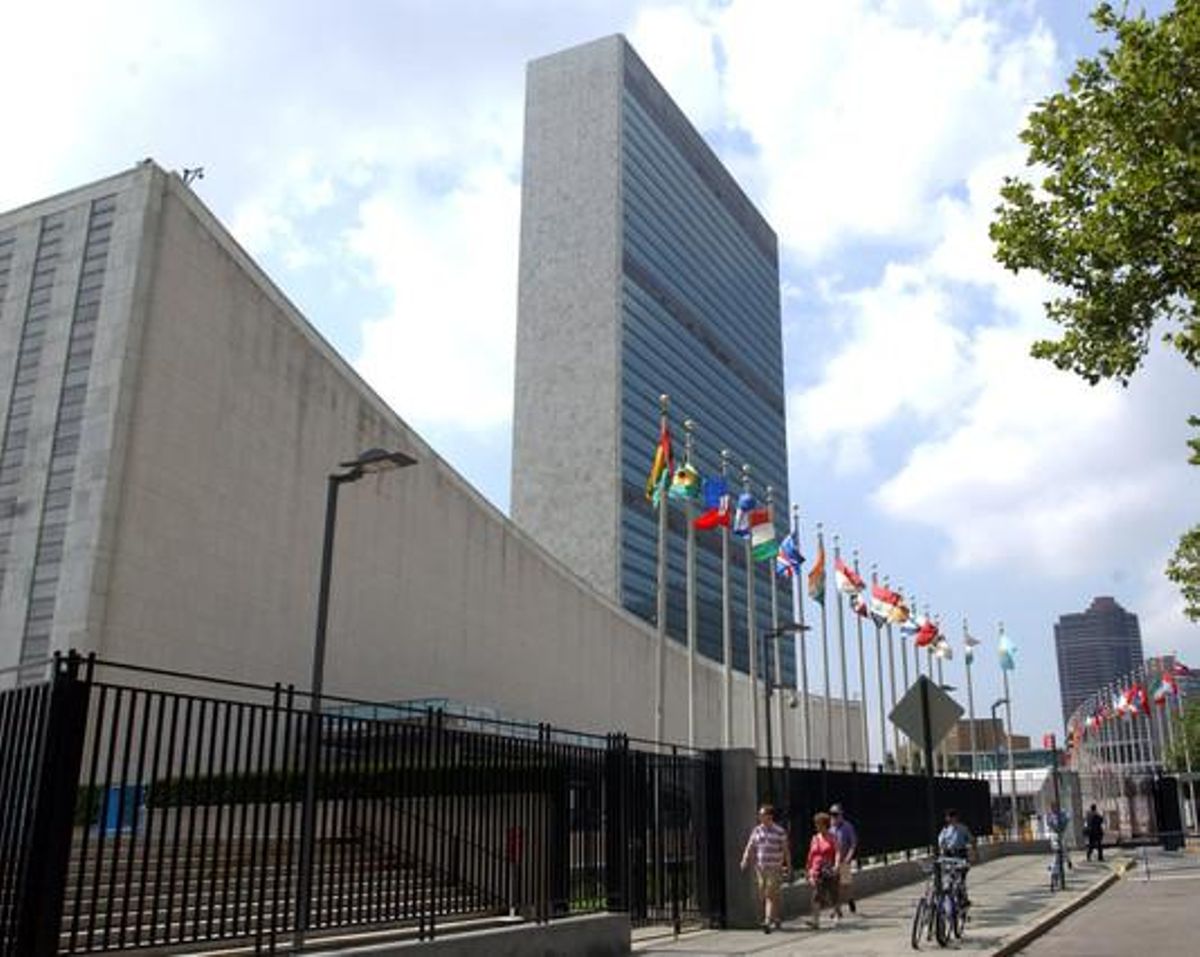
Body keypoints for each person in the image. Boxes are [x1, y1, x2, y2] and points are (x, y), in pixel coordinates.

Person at [740, 804, 792, 933]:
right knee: (764, 894)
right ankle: (776, 918)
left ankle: (767, 921)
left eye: (762, 814)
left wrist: (788, 865)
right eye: (760, 815)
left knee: (769, 894)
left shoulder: (779, 831)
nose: (760, 817)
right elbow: (750, 845)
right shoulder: (757, 830)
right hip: (760, 868)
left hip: (774, 867)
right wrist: (745, 859)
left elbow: (785, 849)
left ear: (770, 816)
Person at [805, 811, 842, 929]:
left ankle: (836, 915)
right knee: (816, 895)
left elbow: (837, 852)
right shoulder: (814, 838)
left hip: (829, 869)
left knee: (833, 894)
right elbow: (810, 855)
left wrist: (836, 865)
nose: (817, 826)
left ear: (825, 825)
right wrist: (809, 870)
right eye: (816, 824)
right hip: (817, 870)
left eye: (819, 824)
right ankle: (815, 921)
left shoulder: (832, 837)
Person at [937, 808, 975, 902]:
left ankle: (963, 897)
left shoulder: (963, 828)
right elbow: (940, 842)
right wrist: (942, 851)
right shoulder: (945, 830)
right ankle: (951, 898)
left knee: (961, 878)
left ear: (955, 818)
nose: (950, 820)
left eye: (951, 817)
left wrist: (974, 852)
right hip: (949, 854)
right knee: (949, 877)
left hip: (960, 854)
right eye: (948, 818)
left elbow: (971, 840)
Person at [829, 803, 858, 914]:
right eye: (831, 814)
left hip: (844, 860)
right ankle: (837, 909)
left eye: (835, 814)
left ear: (841, 814)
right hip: (833, 862)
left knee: (844, 885)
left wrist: (849, 857)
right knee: (836, 886)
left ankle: (849, 899)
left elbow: (853, 843)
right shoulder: (831, 829)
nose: (833, 816)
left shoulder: (847, 827)